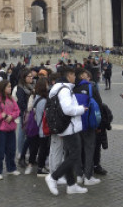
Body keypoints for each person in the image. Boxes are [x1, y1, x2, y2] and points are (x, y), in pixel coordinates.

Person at [44, 66, 88, 195]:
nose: (76, 78)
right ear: (69, 75)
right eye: (74, 75)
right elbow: (68, 109)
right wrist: (81, 109)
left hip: (66, 126)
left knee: (70, 156)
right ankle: (53, 177)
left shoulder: (60, 88)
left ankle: (71, 184)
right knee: (75, 156)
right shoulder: (64, 90)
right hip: (69, 127)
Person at [73, 68, 103, 185]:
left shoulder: (73, 88)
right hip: (88, 123)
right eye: (87, 75)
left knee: (78, 150)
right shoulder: (91, 87)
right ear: (82, 76)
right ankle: (88, 177)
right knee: (89, 149)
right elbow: (99, 105)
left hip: (76, 123)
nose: (88, 77)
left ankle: (79, 175)